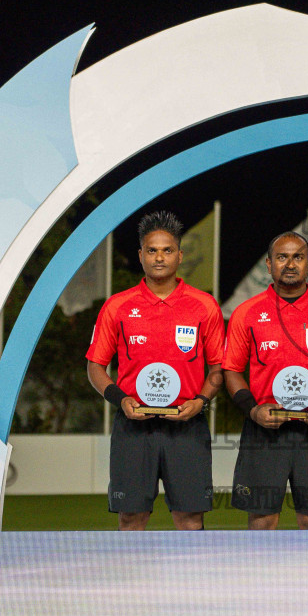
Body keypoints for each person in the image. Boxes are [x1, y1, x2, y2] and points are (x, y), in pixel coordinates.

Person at [85, 210, 225, 530]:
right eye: (152, 250)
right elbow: (95, 366)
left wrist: (200, 401)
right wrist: (121, 400)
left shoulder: (204, 305)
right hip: (133, 426)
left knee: (189, 519)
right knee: (131, 517)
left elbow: (218, 368)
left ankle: (190, 582)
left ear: (179, 255)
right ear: (141, 255)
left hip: (187, 425)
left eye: (167, 250)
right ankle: (132, 581)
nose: (159, 257)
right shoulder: (117, 305)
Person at [223, 230, 308, 529]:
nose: (290, 264)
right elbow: (231, 369)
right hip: (263, 428)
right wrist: (252, 409)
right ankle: (262, 577)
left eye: (298, 257)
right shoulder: (247, 313)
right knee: (262, 521)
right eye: (282, 257)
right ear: (269, 265)